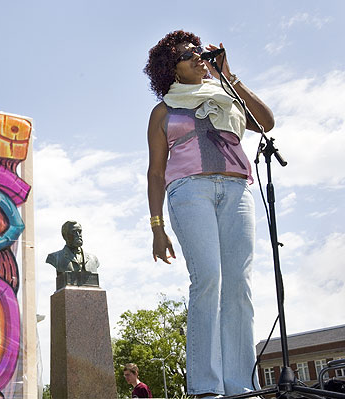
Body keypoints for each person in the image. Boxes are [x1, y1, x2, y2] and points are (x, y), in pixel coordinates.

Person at [143, 30, 275, 398]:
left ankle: (241, 385)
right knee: (209, 280)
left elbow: (265, 122)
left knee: (239, 286)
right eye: (188, 55)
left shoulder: (226, 97)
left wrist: (228, 75)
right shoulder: (164, 111)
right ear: (172, 69)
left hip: (236, 190)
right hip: (189, 192)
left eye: (199, 52)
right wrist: (157, 226)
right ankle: (206, 387)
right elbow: (156, 172)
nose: (198, 57)